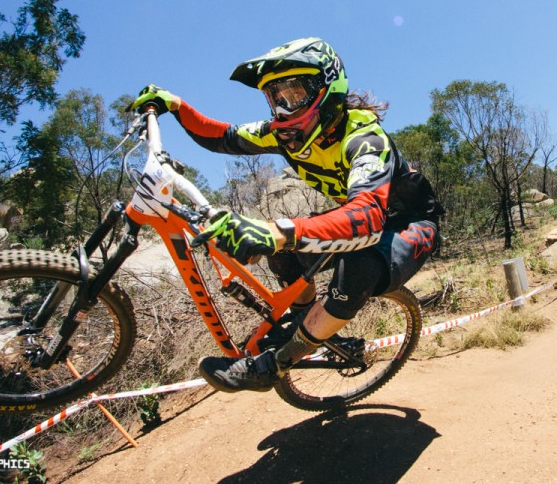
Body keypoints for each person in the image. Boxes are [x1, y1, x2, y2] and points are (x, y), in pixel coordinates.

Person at [127, 37, 442, 393]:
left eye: (293, 94)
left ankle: (273, 366)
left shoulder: (363, 138)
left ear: (327, 88)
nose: (282, 109)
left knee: (358, 262)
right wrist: (176, 104)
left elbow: (367, 218)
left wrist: (277, 231)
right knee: (285, 247)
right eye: (275, 98)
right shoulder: (283, 134)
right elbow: (221, 136)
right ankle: (301, 320)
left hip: (410, 222)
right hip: (358, 214)